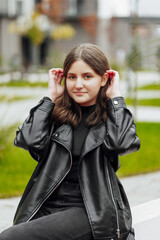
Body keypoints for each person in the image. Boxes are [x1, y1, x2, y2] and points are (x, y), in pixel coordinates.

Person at [0, 43, 140, 240]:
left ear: (103, 79)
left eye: (87, 76)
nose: (78, 84)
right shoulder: (57, 114)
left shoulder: (111, 117)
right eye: (72, 77)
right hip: (48, 201)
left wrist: (115, 98)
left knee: (10, 237)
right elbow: (29, 141)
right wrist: (50, 96)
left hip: (90, 208)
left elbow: (121, 144)